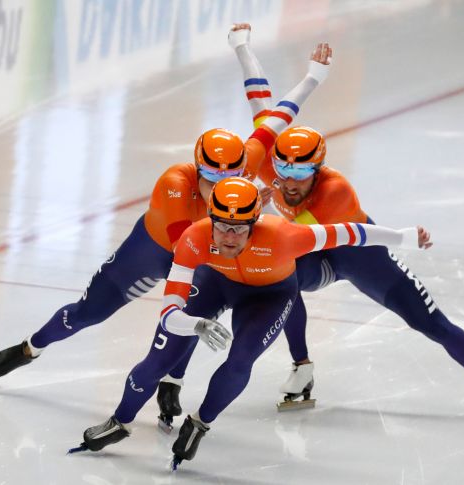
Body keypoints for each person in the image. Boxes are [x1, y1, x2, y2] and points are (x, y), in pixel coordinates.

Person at [156, 23, 464, 428]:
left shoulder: (335, 191)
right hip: (312, 249)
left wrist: (403, 238)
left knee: (430, 323)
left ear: (317, 171)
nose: (288, 183)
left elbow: (330, 235)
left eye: (299, 175)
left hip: (358, 252)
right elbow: (261, 101)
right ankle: (299, 366)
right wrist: (243, 48)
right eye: (281, 170)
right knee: (272, 281)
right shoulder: (271, 167)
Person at [0, 40, 335, 381]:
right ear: (197, 168)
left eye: (232, 176)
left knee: (195, 316)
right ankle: (31, 347)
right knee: (89, 313)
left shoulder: (243, 168)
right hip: (152, 251)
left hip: (201, 252)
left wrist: (313, 77)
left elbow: (276, 119)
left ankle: (172, 382)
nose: (223, 183)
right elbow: (185, 244)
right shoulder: (175, 182)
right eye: (212, 176)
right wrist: (249, 210)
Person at [70, 176, 432, 470]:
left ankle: (200, 423)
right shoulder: (194, 239)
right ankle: (120, 420)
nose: (229, 238)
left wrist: (403, 238)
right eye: (222, 227)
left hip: (270, 296)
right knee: (160, 358)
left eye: (239, 229)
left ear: (254, 224)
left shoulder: (285, 236)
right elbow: (169, 312)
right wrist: (195, 325)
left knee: (241, 359)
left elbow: (353, 233)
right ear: (210, 220)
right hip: (216, 283)